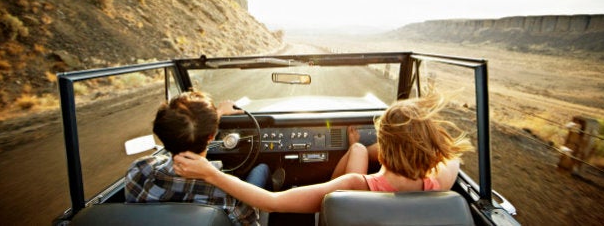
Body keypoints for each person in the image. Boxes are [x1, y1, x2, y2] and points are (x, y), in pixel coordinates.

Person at [173, 92, 474, 213]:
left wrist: (211, 172)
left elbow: (273, 202)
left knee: (354, 151)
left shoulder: (353, 186)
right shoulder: (441, 180)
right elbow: (451, 157)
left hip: (344, 211)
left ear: (383, 147)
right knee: (357, 148)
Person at [124, 91, 269, 226]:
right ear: (212, 137)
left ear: (162, 136)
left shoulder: (140, 170)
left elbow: (188, 128)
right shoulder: (231, 197)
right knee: (262, 168)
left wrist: (215, 116)